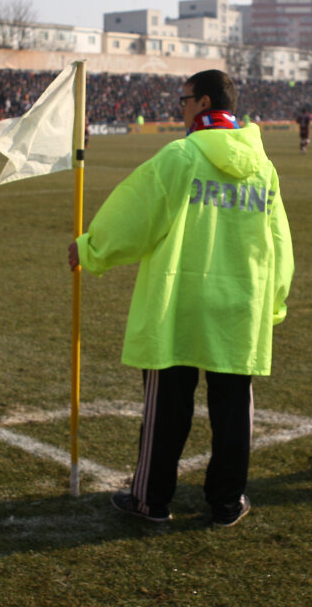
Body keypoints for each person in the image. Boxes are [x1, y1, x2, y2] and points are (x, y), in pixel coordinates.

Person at [69, 69, 293, 527]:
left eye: (183, 99)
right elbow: (280, 241)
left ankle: (151, 501)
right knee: (234, 413)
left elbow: (135, 216)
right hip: (239, 306)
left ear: (203, 102)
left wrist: (91, 248)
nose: (180, 108)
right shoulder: (263, 168)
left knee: (168, 408)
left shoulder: (182, 156)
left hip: (180, 302)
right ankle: (226, 503)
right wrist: (274, 301)